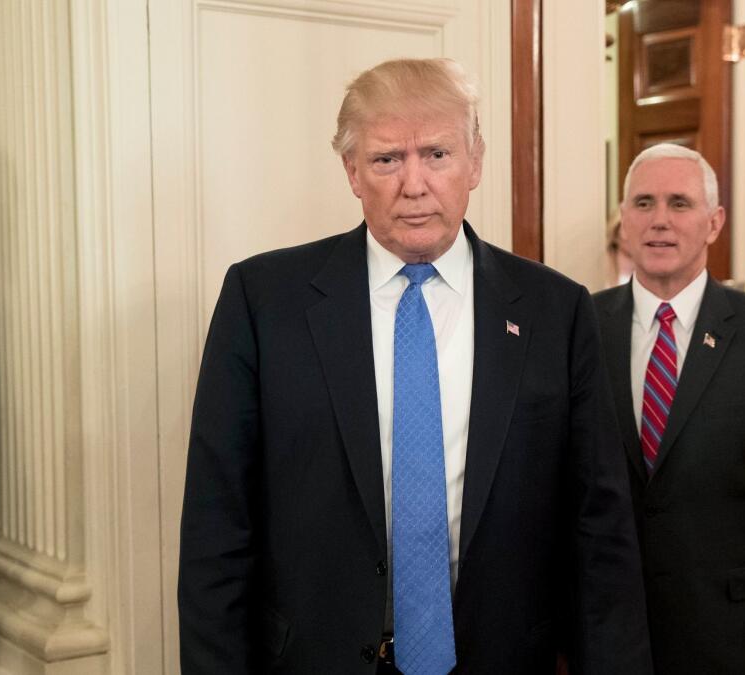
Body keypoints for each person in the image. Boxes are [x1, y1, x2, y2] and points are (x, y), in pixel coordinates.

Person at [177, 58, 651, 674]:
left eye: (437, 154)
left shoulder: (554, 311)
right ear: (351, 171)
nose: (414, 183)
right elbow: (218, 527)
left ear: (475, 162)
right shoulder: (263, 301)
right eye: (386, 159)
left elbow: (601, 530)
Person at [594, 143, 745, 674]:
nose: (659, 220)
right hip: (607, 641)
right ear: (623, 219)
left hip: (732, 641)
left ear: (713, 222)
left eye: (680, 203)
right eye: (643, 203)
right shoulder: (579, 329)